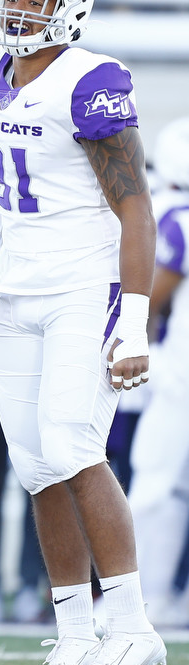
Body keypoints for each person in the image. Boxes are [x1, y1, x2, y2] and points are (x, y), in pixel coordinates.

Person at [0, 0, 166, 665]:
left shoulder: (91, 80)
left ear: (70, 6)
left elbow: (136, 206)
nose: (17, 8)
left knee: (75, 445)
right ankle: (74, 635)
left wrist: (134, 321)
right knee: (36, 465)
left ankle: (131, 624)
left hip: (85, 283)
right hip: (19, 287)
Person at [126, 118, 189, 627]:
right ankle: (165, 597)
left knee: (154, 484)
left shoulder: (174, 214)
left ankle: (150, 598)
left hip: (179, 373)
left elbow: (151, 297)